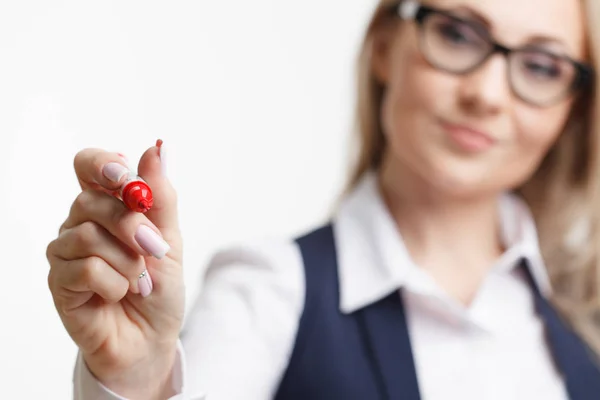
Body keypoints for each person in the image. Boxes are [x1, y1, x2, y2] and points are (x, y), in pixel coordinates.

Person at [46, 0, 600, 398]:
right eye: (457, 33)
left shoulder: (585, 323)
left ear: (572, 109)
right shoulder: (270, 290)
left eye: (541, 67)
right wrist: (138, 382)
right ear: (385, 46)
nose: (485, 93)